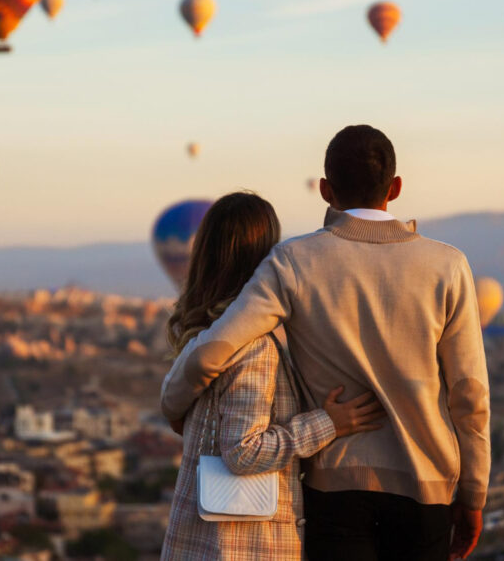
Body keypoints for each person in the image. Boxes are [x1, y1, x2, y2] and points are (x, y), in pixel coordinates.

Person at [162, 125, 491, 561]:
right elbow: (470, 393)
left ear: (324, 189)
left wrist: (174, 400)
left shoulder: (294, 261)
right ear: (395, 187)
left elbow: (215, 348)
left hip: (334, 490)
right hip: (426, 486)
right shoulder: (447, 265)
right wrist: (473, 492)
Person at [161, 192, 386, 561]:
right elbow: (242, 453)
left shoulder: (207, 338)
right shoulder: (255, 348)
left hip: (203, 542)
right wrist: (328, 423)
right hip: (245, 545)